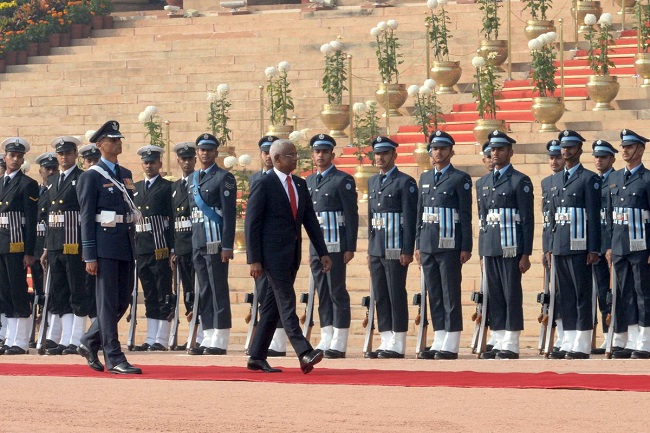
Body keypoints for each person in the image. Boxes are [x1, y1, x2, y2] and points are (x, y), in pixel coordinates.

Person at [245, 138, 331, 374]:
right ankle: (304, 351)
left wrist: (322, 251)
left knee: (272, 307)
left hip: (291, 255)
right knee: (287, 302)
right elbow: (251, 224)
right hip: (270, 257)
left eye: (296, 154)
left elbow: (309, 220)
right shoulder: (264, 184)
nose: (296, 158)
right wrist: (254, 259)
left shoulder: (300, 184)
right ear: (277, 159)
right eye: (291, 155)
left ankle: (256, 356)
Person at [76, 120, 141, 374]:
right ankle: (113, 356)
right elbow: (86, 217)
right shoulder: (91, 176)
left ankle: (89, 340)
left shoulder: (125, 173)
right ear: (100, 145)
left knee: (122, 301)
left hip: (124, 243)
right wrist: (89, 254)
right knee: (107, 302)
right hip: (103, 246)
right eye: (113, 140)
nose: (118, 143)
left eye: (119, 139)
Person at [415, 131, 472, 360]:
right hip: (428, 242)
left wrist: (465, 246)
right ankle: (439, 337)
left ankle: (452, 340)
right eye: (435, 148)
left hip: (450, 244)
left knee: (450, 292)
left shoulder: (460, 178)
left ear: (451, 151)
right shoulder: (425, 178)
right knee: (434, 293)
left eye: (443, 148)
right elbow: (420, 213)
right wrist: (418, 244)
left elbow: (465, 214)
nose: (438, 152)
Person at [477, 130, 534, 360]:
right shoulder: (483, 182)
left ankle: (511, 340)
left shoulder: (520, 181)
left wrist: (526, 253)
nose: (496, 153)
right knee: (495, 295)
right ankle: (498, 337)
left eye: (500, 149)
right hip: (491, 246)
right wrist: (482, 250)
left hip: (512, 248)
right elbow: (482, 219)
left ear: (510, 152)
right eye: (493, 149)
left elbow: (527, 219)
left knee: (511, 294)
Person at [547, 130, 600, 359]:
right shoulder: (556, 179)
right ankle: (568, 340)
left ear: (579, 149)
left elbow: (594, 216)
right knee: (566, 295)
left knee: (582, 294)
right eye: (563, 147)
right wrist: (550, 246)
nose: (566, 151)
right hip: (560, 244)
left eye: (570, 147)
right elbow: (551, 217)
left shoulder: (589, 179)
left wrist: (594, 248)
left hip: (581, 246)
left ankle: (582, 342)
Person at [306, 134, 358, 358]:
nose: (320, 155)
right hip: (316, 246)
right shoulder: (308, 181)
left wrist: (350, 246)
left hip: (335, 244)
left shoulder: (342, 180)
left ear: (332, 155)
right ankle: (326, 333)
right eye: (317, 152)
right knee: (322, 290)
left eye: (325, 152)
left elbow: (351, 215)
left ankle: (340, 337)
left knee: (336, 289)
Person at [366, 136, 418, 359]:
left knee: (396, 292)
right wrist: (370, 249)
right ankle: (386, 338)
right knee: (381, 294)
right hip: (378, 246)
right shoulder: (372, 182)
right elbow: (371, 217)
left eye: (385, 153)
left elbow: (410, 216)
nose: (380, 157)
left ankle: (398, 340)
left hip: (396, 246)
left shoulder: (404, 182)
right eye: (377, 153)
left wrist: (408, 248)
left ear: (394, 155)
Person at [187, 133, 236, 355]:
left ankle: (221, 336)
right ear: (197, 153)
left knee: (218, 288)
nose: (204, 153)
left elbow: (229, 214)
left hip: (216, 240)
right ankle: (207, 334)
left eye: (209, 149)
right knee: (204, 290)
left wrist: (227, 245)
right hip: (198, 240)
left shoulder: (224, 178)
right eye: (201, 149)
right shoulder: (191, 179)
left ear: (216, 152)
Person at [41, 137, 91, 357]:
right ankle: (64, 338)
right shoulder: (52, 181)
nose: (63, 157)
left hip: (74, 243)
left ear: (75, 155)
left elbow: (87, 214)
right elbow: (49, 217)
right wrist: (45, 248)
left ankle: (77, 337)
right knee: (60, 291)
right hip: (54, 243)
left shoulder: (82, 178)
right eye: (60, 154)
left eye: (68, 153)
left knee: (77, 291)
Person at [606, 129, 650, 359]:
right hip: (620, 244)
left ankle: (646, 340)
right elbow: (608, 216)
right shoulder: (614, 178)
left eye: (630, 146)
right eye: (623, 146)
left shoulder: (647, 178)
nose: (625, 150)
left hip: (641, 245)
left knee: (644, 292)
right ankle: (633, 339)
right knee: (626, 294)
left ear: (641, 149)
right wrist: (609, 245)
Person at [131, 145, 174, 352]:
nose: (149, 166)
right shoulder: (136, 188)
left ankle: (162, 337)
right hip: (142, 246)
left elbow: (172, 220)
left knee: (162, 291)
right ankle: (150, 336)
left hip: (160, 246)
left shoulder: (167, 187)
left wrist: (172, 248)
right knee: (148, 292)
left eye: (153, 162)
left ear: (159, 164)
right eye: (146, 162)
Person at [248, 135, 287, 356]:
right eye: (265, 152)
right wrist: (254, 256)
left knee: (279, 297)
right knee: (265, 296)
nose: (268, 157)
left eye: (271, 152)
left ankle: (277, 342)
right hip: (262, 251)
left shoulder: (287, 180)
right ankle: (264, 344)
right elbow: (252, 222)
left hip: (279, 250)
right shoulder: (256, 180)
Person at [0, 137, 39, 355]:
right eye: (11, 155)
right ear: (5, 157)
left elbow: (31, 221)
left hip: (16, 245)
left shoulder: (27, 184)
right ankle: (9, 337)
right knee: (5, 293)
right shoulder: (0, 182)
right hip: (1, 244)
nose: (14, 159)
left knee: (18, 292)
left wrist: (29, 251)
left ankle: (21, 341)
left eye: (18, 156)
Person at [170, 141, 199, 350]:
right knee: (188, 291)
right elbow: (172, 220)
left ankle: (201, 335)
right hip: (181, 246)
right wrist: (172, 249)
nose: (187, 162)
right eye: (183, 159)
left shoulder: (199, 181)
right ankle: (192, 336)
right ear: (178, 161)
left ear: (195, 160)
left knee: (200, 290)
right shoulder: (175, 187)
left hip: (196, 243)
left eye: (190, 158)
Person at [591, 139, 617, 354]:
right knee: (602, 293)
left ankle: (621, 335)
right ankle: (608, 335)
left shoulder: (617, 180)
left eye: (604, 157)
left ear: (612, 159)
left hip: (615, 246)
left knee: (617, 292)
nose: (599, 160)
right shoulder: (592, 181)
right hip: (597, 247)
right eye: (597, 157)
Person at [541, 140, 566, 352]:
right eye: (551, 157)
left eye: (557, 157)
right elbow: (546, 220)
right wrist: (545, 247)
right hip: (552, 244)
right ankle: (559, 334)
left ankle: (566, 334)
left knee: (566, 292)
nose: (554, 161)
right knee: (554, 293)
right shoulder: (546, 182)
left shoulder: (565, 182)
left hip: (566, 243)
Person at [33, 152, 58, 353]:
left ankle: (50, 333)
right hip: (35, 247)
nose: (50, 171)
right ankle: (38, 332)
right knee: (39, 293)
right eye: (46, 168)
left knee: (54, 290)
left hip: (51, 246)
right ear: (40, 170)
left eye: (53, 168)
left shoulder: (57, 190)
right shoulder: (36, 190)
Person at [78, 143, 101, 323]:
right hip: (78, 245)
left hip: (100, 244)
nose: (92, 163)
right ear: (83, 162)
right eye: (89, 160)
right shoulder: (84, 179)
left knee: (98, 291)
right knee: (82, 290)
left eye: (96, 160)